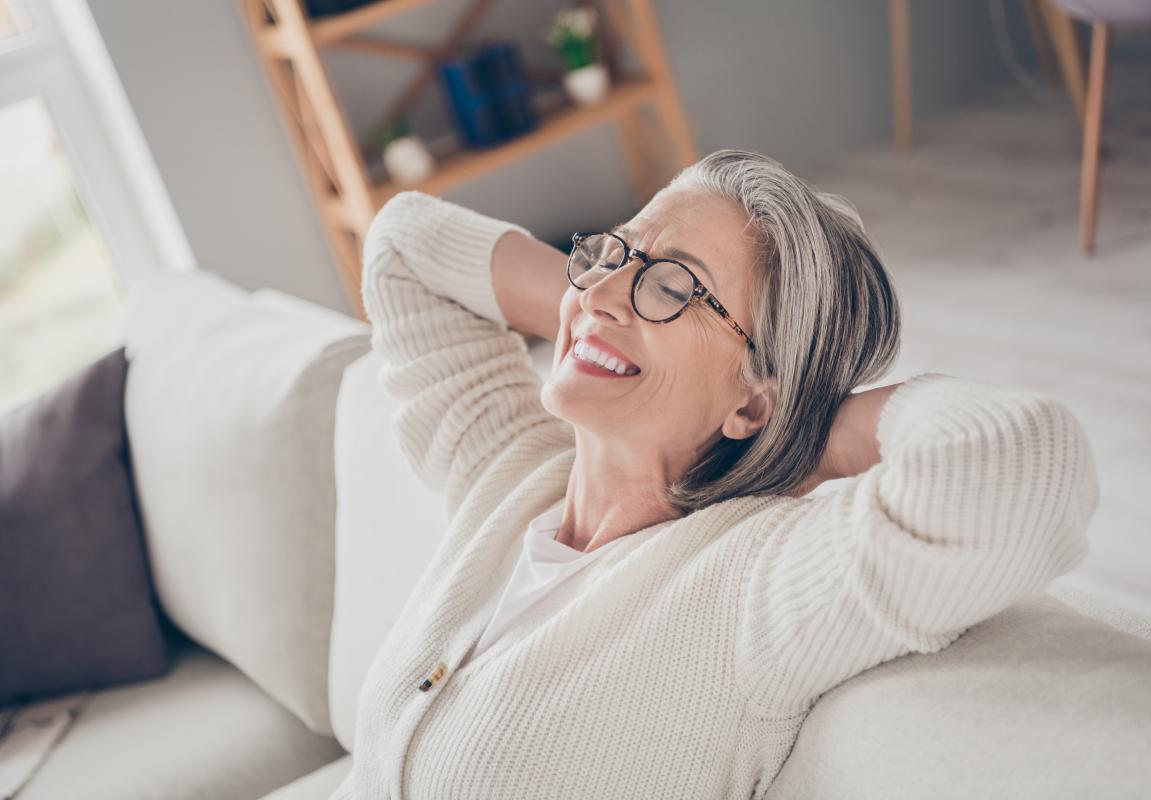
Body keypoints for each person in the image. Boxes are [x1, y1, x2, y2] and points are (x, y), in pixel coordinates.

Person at [330, 149, 1098, 799]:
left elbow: (1023, 462)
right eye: (613, 253)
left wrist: (811, 433)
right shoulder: (507, 472)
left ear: (753, 402)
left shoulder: (745, 592)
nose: (600, 289)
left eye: (674, 286)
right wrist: (594, 316)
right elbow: (405, 245)